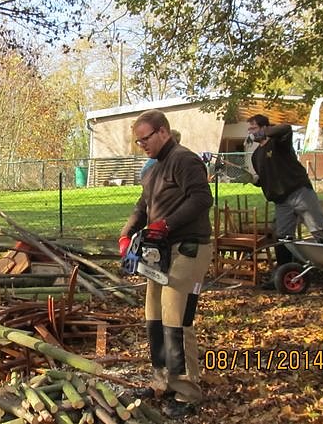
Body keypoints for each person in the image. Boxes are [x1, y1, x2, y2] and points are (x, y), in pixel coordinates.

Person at [118, 110, 213, 419]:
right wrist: (126, 234)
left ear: (162, 132)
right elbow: (143, 206)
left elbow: (201, 199)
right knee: (155, 317)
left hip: (188, 247)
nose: (141, 144)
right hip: (159, 252)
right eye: (138, 140)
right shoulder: (153, 169)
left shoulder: (185, 160)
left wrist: (167, 224)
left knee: (176, 318)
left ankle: (187, 391)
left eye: (144, 138)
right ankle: (162, 382)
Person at [246, 114, 323, 281]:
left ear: (265, 127)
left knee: (320, 230)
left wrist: (267, 133)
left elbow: (286, 128)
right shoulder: (255, 156)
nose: (250, 132)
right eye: (249, 129)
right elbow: (264, 180)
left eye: (254, 128)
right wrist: (253, 180)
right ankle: (284, 275)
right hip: (281, 201)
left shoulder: (279, 143)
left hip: (299, 192)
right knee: (282, 238)